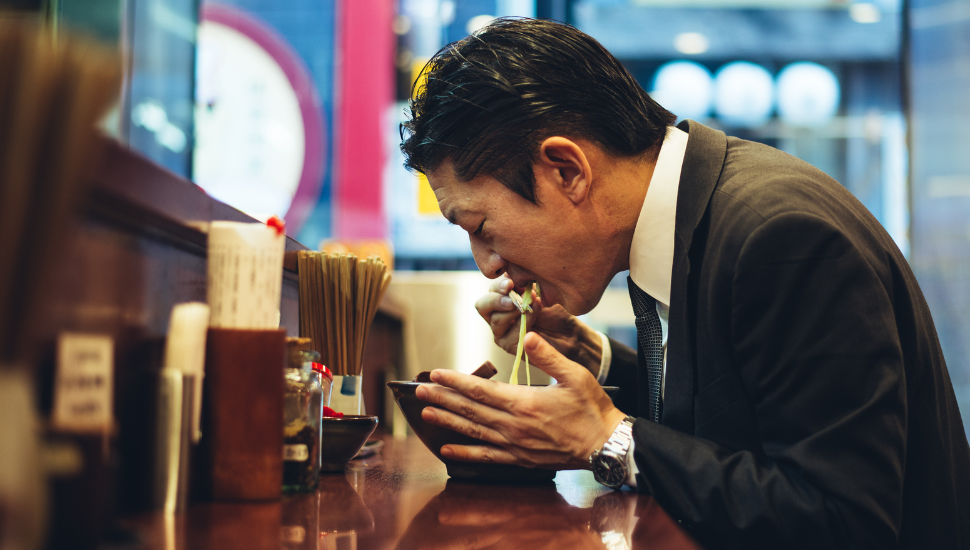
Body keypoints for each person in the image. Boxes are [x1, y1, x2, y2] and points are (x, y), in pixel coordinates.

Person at [398, 17, 970, 549]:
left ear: (566, 170)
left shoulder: (783, 237)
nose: (488, 265)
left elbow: (841, 519)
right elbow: (735, 412)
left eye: (480, 227)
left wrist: (610, 440)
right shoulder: (689, 211)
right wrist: (593, 357)